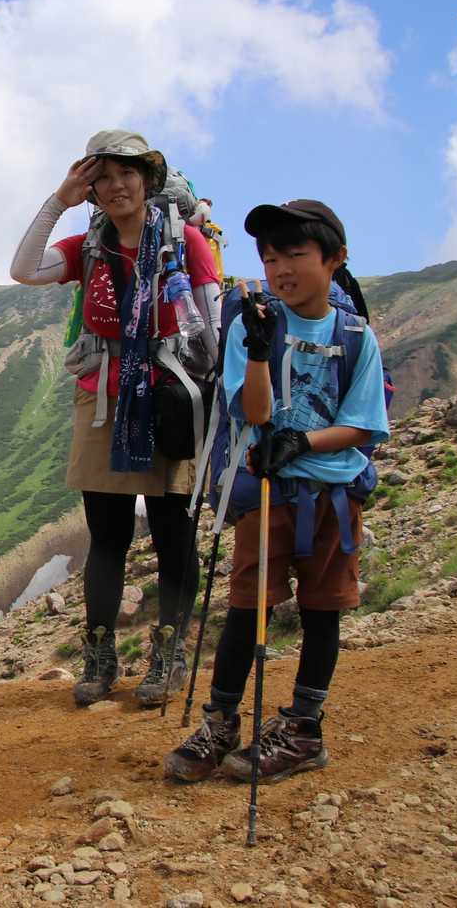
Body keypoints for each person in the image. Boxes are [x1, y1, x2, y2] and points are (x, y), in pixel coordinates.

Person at [164, 199, 389, 783]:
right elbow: (254, 412)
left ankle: (304, 729)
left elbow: (365, 425)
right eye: (269, 257)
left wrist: (304, 442)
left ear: (335, 259)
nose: (280, 269)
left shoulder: (357, 337)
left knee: (322, 611)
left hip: (334, 495)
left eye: (294, 254)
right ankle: (221, 722)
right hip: (267, 494)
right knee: (247, 608)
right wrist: (261, 353)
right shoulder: (253, 326)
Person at [11, 129, 223, 707]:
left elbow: (212, 330)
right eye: (102, 177)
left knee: (173, 533)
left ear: (148, 179)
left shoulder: (185, 243)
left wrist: (217, 406)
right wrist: (58, 201)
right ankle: (100, 657)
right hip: (102, 401)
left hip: (169, 399)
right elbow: (23, 268)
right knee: (106, 537)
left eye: (127, 172)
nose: (116, 185)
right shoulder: (90, 247)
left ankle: (168, 654)